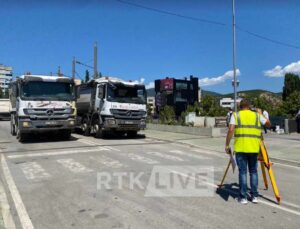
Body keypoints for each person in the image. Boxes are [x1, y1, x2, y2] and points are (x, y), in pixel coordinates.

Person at [225, 99, 270, 204]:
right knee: (253, 172)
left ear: (240, 106)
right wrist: (260, 114)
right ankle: (254, 196)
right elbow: (268, 124)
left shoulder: (235, 115)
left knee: (243, 172)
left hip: (241, 148)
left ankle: (243, 197)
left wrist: (227, 144)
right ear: (249, 106)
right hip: (254, 148)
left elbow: (231, 129)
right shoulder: (256, 115)